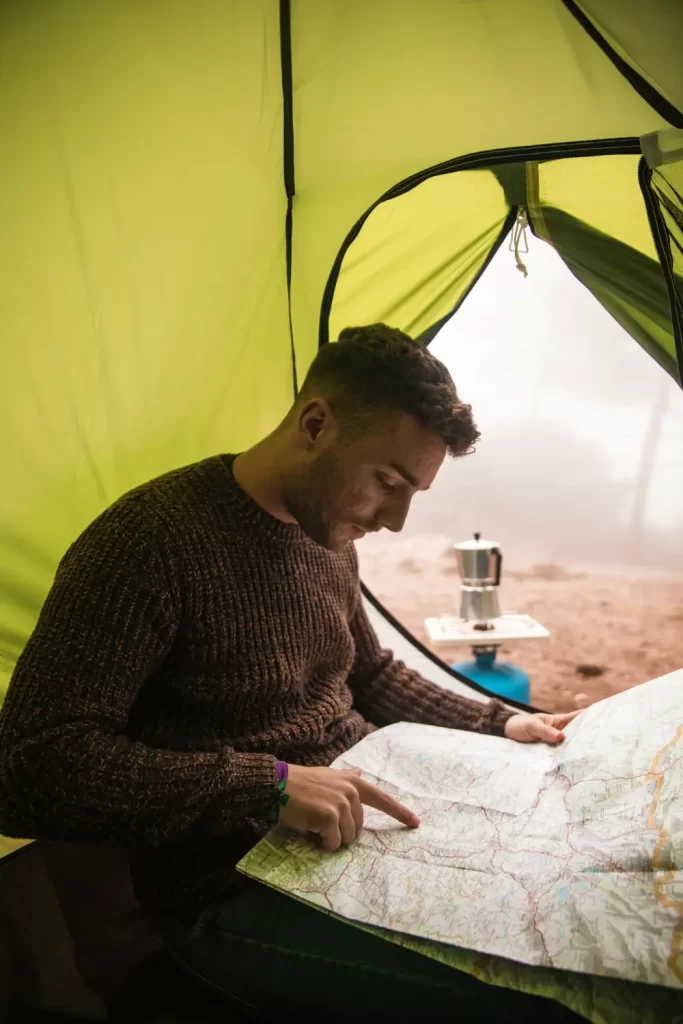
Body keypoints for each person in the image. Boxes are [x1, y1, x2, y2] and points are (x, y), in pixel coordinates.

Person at [0, 324, 582, 1022]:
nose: (394, 521)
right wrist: (268, 784)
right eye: (387, 482)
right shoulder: (148, 543)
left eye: (412, 494)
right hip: (231, 886)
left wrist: (502, 719)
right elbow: (30, 766)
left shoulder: (327, 535)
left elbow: (368, 670)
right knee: (543, 1002)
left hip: (360, 832)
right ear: (315, 424)